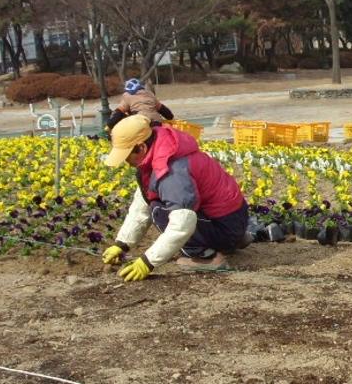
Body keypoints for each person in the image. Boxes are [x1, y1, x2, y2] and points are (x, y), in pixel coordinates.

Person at [100, 115, 249, 278]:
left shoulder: (171, 171)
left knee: (159, 212)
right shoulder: (163, 148)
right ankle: (231, 238)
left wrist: (147, 262)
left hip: (226, 226)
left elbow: (183, 222)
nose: (125, 161)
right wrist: (122, 244)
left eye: (126, 155)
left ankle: (207, 257)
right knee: (155, 203)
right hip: (232, 219)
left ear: (141, 147)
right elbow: (143, 200)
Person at [106, 78, 174, 131]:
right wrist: (170, 117)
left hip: (140, 122)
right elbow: (164, 110)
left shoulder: (127, 95)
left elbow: (119, 112)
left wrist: (109, 125)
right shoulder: (149, 94)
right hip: (157, 122)